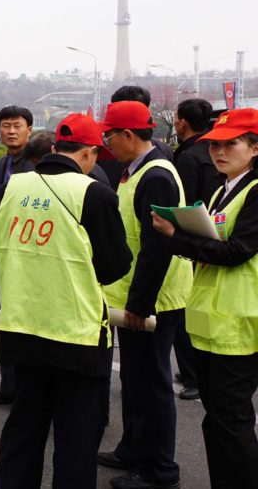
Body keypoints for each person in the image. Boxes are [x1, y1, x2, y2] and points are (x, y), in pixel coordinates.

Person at [0, 114, 132, 489]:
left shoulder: (13, 187)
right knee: (76, 438)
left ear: (54, 148)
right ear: (89, 153)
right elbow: (115, 266)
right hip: (76, 334)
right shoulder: (94, 193)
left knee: (24, 427)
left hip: (22, 327)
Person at [150, 108, 258, 488]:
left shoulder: (255, 190)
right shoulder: (221, 189)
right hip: (213, 319)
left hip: (241, 322)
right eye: (215, 144)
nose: (219, 152)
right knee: (218, 419)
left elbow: (236, 251)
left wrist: (175, 237)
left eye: (231, 144)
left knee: (231, 420)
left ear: (255, 148)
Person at [96, 101, 192, 489]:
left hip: (153, 301)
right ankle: (132, 450)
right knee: (135, 382)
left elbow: (157, 247)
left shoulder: (155, 176)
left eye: (109, 136)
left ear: (128, 136)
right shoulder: (134, 171)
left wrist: (139, 304)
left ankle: (159, 470)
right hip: (136, 295)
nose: (106, 143)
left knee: (152, 386)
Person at [169, 97, 219, 402]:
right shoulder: (206, 153)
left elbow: (183, 204)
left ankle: (193, 375)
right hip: (212, 237)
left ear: (182, 122)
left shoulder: (189, 158)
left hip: (194, 240)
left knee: (185, 312)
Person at [0, 105, 35, 406]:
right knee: (4, 312)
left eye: (17, 125)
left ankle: (25, 389)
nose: (11, 131)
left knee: (23, 318)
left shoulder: (36, 164)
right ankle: (9, 384)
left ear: (30, 129)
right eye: (6, 126)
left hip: (25, 249)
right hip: (1, 246)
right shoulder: (4, 161)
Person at [100, 86, 174, 186]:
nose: (108, 145)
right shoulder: (162, 152)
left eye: (108, 137)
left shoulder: (157, 177)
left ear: (128, 135)